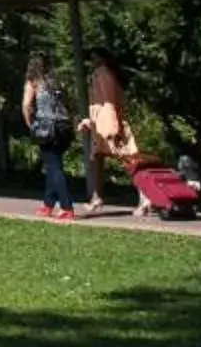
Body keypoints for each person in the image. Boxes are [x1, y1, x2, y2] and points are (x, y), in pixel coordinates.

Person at [80, 50, 137, 217]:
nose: (91, 61)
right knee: (98, 158)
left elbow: (109, 100)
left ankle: (144, 196)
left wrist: (112, 124)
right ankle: (97, 197)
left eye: (94, 57)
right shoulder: (108, 73)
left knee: (125, 157)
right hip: (104, 119)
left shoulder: (102, 73)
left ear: (102, 58)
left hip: (106, 120)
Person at [21, 53, 78, 220]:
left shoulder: (33, 82)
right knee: (53, 164)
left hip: (47, 128)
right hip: (64, 127)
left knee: (54, 167)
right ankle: (48, 204)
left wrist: (30, 125)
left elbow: (26, 106)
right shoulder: (58, 82)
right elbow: (69, 104)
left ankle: (67, 206)